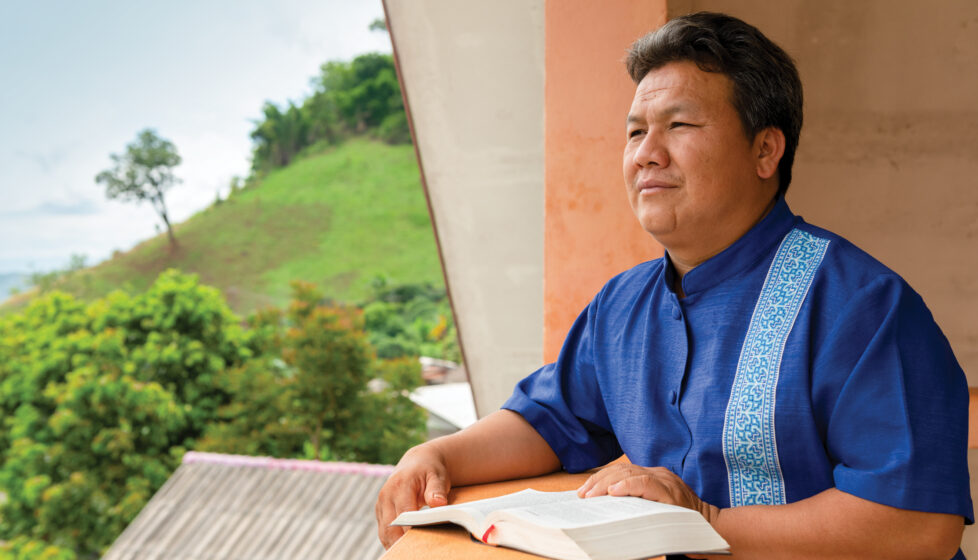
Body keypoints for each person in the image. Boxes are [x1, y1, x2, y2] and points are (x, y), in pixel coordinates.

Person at [375, 12, 972, 559]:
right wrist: (436, 455)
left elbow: (919, 523)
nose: (647, 155)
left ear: (766, 150)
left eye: (679, 125)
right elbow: (550, 421)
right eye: (636, 133)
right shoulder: (622, 304)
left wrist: (703, 520)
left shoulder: (862, 306)